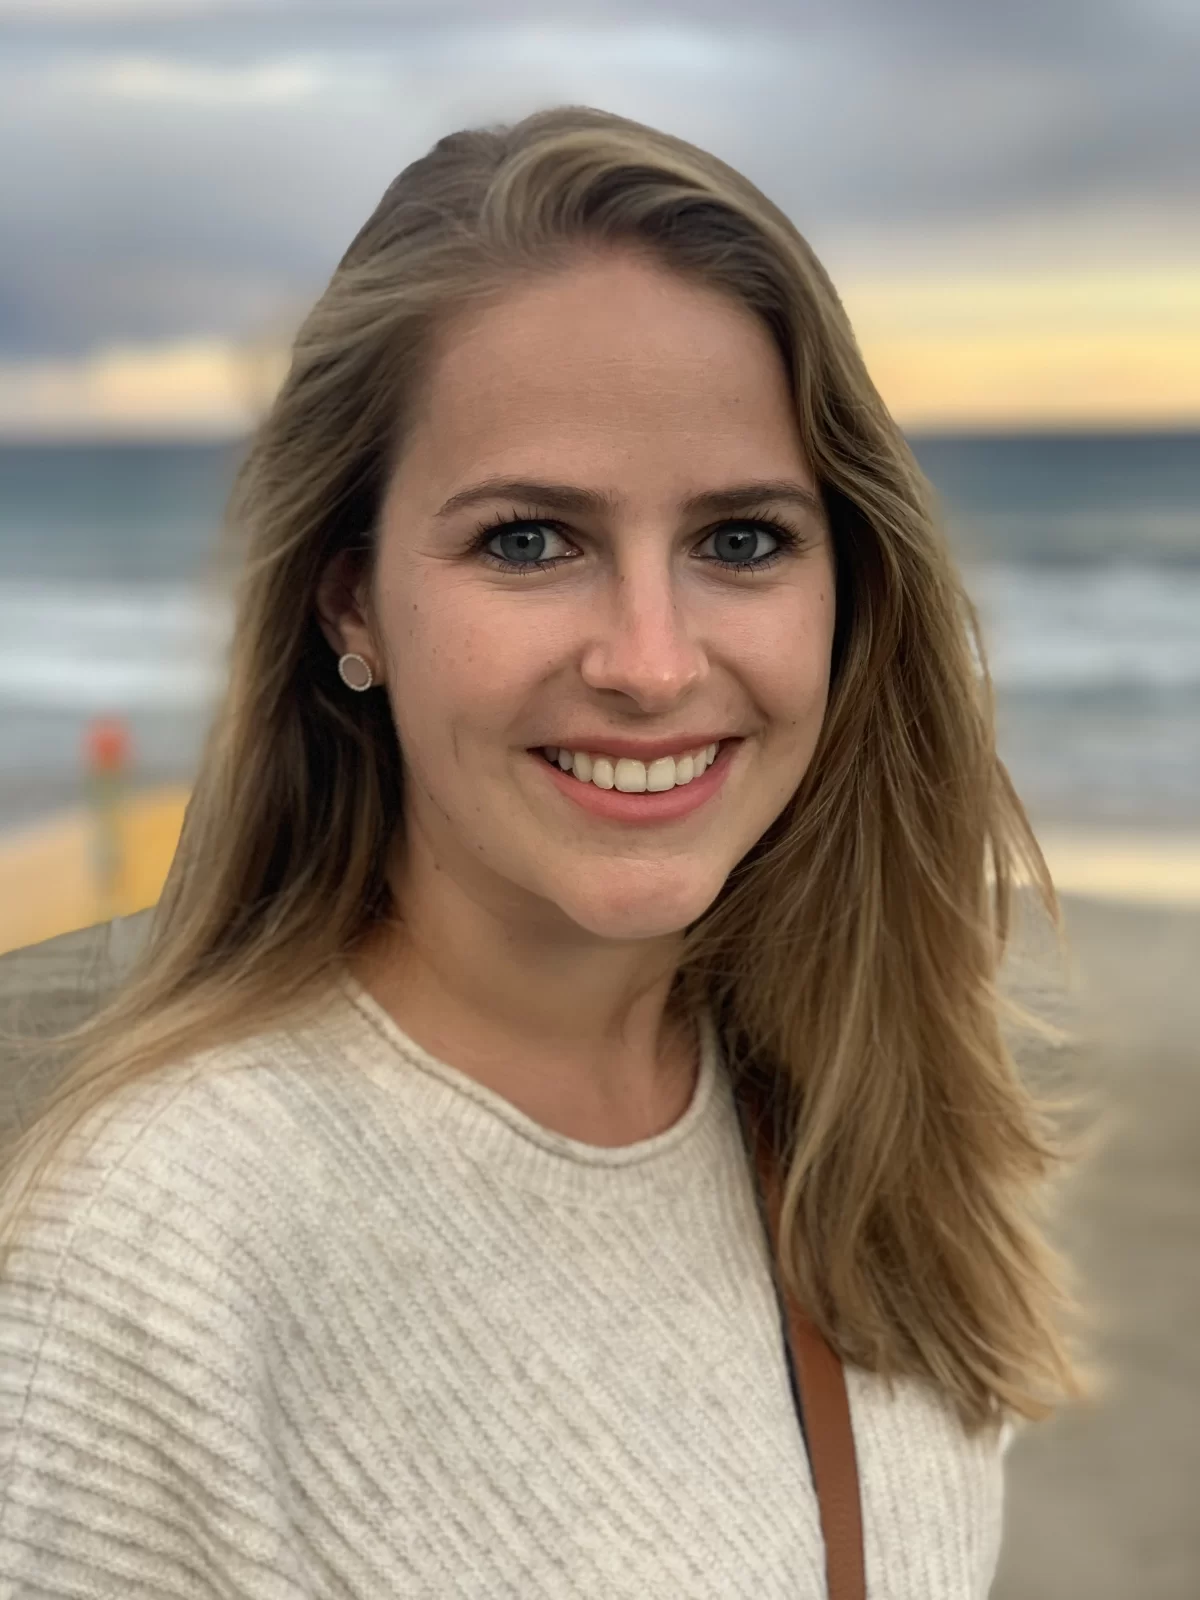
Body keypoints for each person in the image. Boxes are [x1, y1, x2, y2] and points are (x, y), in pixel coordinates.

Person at [0, 105, 1082, 1597]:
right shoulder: (163, 1249)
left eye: (742, 540)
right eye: (529, 540)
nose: (651, 662)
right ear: (352, 605)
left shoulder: (856, 1115)